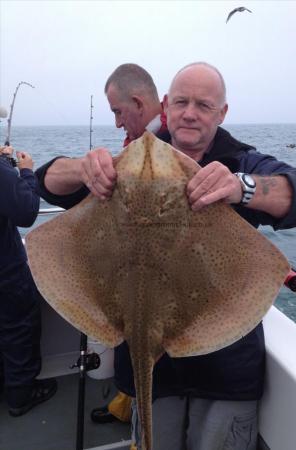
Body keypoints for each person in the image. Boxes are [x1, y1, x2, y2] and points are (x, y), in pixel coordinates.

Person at [36, 62, 296, 450]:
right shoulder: (126, 165)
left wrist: (242, 187)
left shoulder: (240, 163)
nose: (190, 112)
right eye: (181, 102)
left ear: (222, 113)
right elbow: (44, 181)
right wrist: (82, 169)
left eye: (204, 105)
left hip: (225, 369)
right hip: (151, 375)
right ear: (165, 105)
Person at [36, 63, 165, 427]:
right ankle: (129, 401)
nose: (117, 123)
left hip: (163, 298)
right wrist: (83, 169)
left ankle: (137, 411)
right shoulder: (127, 150)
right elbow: (44, 183)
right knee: (132, 362)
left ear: (138, 102)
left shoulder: (180, 147)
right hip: (127, 285)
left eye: (118, 112)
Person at [0, 145, 57, 417]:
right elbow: (26, 211)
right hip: (5, 272)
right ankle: (21, 394)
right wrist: (25, 172)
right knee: (18, 327)